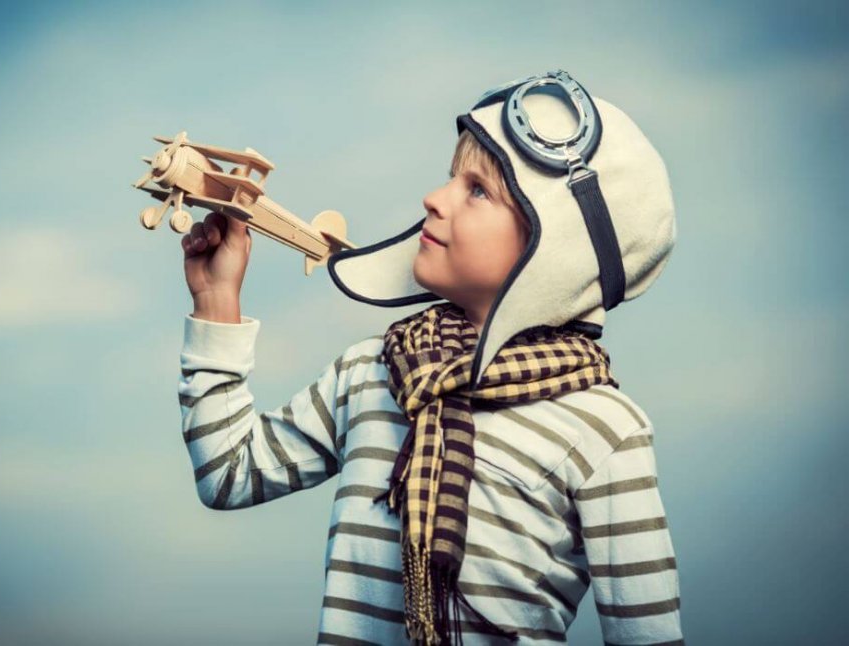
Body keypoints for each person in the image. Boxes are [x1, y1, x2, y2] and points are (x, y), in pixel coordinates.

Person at [177, 70, 683, 645]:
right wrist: (217, 300)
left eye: (478, 190)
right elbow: (228, 475)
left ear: (555, 248)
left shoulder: (606, 430)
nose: (434, 199)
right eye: (450, 178)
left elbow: (649, 636)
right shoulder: (371, 371)